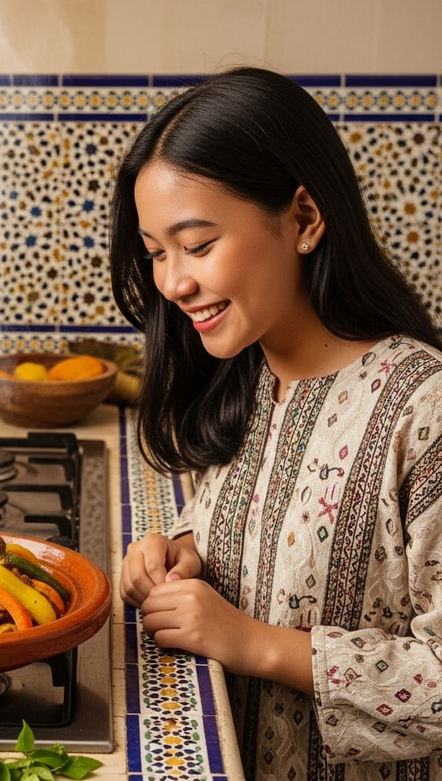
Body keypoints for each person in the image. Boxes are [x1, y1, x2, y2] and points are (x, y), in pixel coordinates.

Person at [110, 66, 442, 781]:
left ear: (303, 218)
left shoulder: (425, 410)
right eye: (156, 252)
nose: (172, 283)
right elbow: (276, 527)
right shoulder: (248, 375)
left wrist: (251, 643)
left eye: (197, 246)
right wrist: (184, 551)